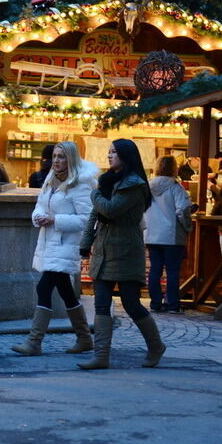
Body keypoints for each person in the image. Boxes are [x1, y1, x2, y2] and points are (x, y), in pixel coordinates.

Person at [78, 139, 165, 370]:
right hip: (104, 248)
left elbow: (110, 209)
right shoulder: (108, 181)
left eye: (114, 152)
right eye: (108, 152)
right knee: (101, 304)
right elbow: (94, 216)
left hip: (126, 249)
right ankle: (101, 356)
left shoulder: (134, 185)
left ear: (126, 156)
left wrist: (94, 193)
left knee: (131, 303)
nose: (109, 156)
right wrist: (86, 243)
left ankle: (156, 346)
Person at [12, 141, 99, 356]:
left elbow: (88, 219)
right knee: (66, 291)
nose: (57, 161)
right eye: (55, 156)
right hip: (49, 242)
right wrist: (38, 217)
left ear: (71, 159)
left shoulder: (80, 183)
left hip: (65, 244)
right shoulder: (50, 180)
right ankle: (84, 337)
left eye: (62, 157)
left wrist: (56, 220)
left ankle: (34, 342)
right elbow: (40, 205)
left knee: (44, 288)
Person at [144, 156, 192, 314]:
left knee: (155, 270)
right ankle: (172, 304)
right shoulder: (175, 187)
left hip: (152, 234)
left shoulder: (148, 187)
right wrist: (187, 226)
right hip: (172, 235)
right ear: (174, 168)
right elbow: (182, 209)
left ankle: (155, 303)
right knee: (172, 271)